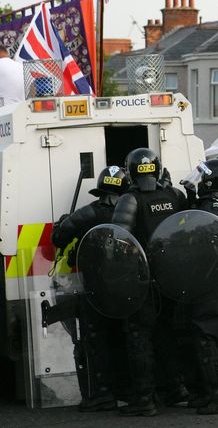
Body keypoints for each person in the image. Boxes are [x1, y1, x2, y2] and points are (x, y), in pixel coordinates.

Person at [112, 148, 187, 416]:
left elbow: (118, 241)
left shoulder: (129, 200)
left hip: (144, 282)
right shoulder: (175, 195)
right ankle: (176, 389)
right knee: (168, 334)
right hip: (173, 279)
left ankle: (145, 399)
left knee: (139, 338)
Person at [51, 166, 129, 412]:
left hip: (93, 289)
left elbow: (59, 237)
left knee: (94, 341)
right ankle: (130, 391)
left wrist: (62, 221)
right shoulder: (131, 211)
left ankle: (101, 394)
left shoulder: (88, 213)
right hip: (127, 288)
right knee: (125, 338)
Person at [187, 158, 218, 414]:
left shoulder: (212, 208)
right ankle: (210, 391)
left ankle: (217, 392)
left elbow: (211, 248)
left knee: (206, 337)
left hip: (210, 282)